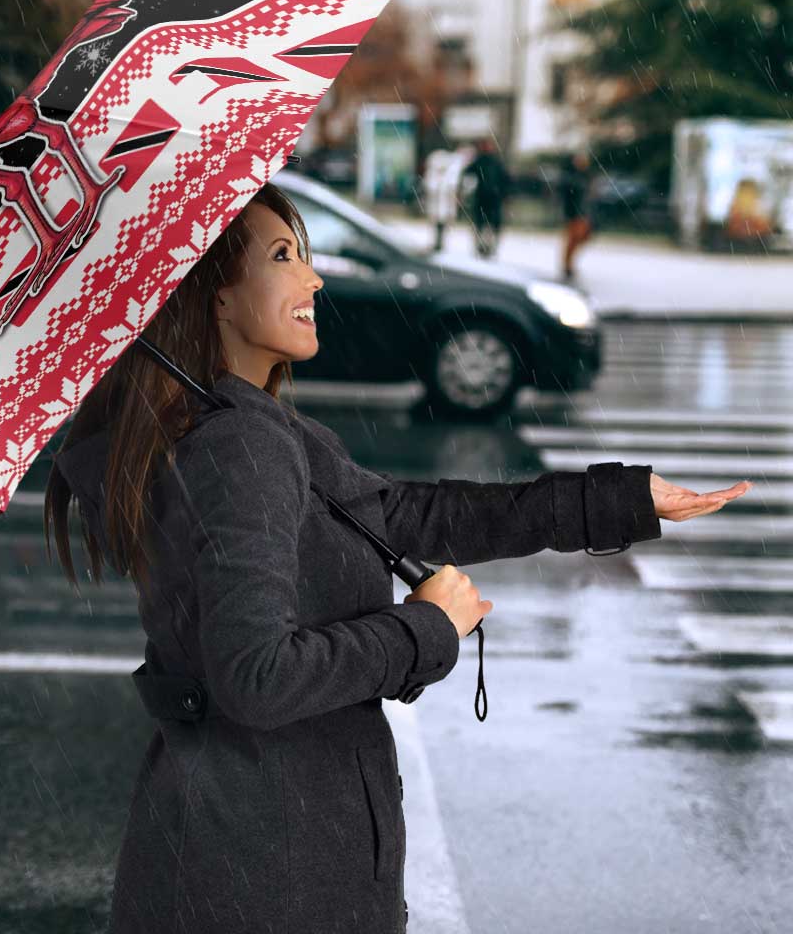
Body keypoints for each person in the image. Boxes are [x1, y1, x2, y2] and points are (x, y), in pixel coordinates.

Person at [45, 181, 749, 934]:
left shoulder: (248, 429)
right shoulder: (238, 446)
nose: (313, 278)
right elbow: (256, 677)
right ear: (215, 295)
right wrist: (424, 629)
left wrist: (619, 501)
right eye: (283, 256)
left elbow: (411, 515)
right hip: (267, 872)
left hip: (250, 851)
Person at [461, 136, 511, 259]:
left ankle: (488, 247)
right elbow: (467, 174)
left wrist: (504, 194)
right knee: (482, 224)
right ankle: (482, 247)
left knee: (489, 225)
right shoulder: (481, 161)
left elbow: (505, 180)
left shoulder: (494, 162)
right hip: (484, 198)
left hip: (492, 198)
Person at [559, 149, 595, 280]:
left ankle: (568, 264)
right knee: (573, 239)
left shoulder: (586, 176)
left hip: (583, 213)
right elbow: (568, 196)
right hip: (574, 213)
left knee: (581, 238)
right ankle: (567, 265)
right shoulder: (571, 177)